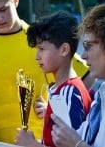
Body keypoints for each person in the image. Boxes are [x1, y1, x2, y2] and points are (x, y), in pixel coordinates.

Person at [0, 0, 91, 143]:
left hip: (37, 141)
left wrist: (53, 108)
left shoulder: (42, 38)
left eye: (3, 9)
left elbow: (87, 76)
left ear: (16, 0)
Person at [14, 11, 92, 147]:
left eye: (42, 49)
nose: (37, 57)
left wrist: (31, 144)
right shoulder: (66, 88)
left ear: (64, 50)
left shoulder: (68, 92)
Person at [50, 2, 105, 147]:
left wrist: (77, 144)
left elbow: (77, 142)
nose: (83, 56)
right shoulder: (102, 98)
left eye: (88, 47)